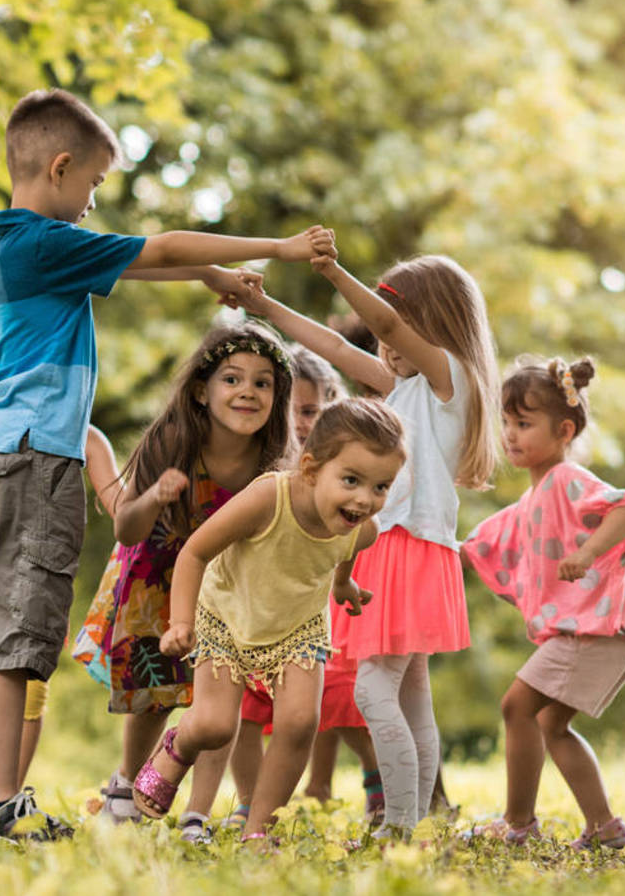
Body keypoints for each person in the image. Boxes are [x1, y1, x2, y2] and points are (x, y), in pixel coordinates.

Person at [0, 86, 333, 840]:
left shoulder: (11, 249)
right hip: (37, 458)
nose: (95, 201)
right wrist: (279, 249)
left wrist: (206, 279)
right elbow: (157, 247)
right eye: (94, 183)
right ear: (60, 167)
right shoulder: (44, 242)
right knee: (22, 641)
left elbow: (146, 264)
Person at [222, 253, 499, 836]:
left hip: (408, 550)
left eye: (394, 328)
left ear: (438, 324)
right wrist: (263, 307)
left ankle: (398, 827)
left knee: (374, 693)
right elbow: (336, 349)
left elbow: (394, 328)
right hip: (393, 550)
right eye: (381, 334)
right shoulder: (405, 390)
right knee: (412, 697)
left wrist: (332, 271)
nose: (383, 343)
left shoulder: (451, 380)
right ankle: (415, 824)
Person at [129, 399, 408, 842]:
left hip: (299, 627)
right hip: (227, 615)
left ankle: (259, 831)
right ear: (312, 468)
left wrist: (342, 586)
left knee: (300, 723)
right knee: (216, 725)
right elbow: (195, 552)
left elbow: (347, 550)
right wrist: (180, 622)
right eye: (351, 480)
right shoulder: (268, 497)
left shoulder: (363, 528)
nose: (364, 499)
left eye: (381, 487)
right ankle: (177, 744)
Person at [69, 322, 294, 842]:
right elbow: (126, 527)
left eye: (263, 383)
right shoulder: (174, 440)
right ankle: (125, 787)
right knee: (156, 693)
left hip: (228, 586)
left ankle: (197, 813)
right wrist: (154, 496)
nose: (247, 392)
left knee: (219, 699)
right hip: (158, 575)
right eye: (232, 379)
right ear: (202, 389)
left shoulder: (274, 459)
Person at [462, 357, 625, 850]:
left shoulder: (567, 479)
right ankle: (606, 828)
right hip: (597, 631)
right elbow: (482, 543)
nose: (510, 434)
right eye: (506, 422)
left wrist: (587, 552)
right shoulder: (533, 498)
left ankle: (518, 823)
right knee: (549, 724)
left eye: (523, 424)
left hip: (597, 628)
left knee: (516, 706)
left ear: (563, 429)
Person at [0, 411, 121, 838]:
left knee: (29, 694)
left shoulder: (84, 435)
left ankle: (4, 801)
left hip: (36, 584)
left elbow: (120, 502)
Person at [221, 348, 388, 830]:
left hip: (309, 614)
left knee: (335, 702)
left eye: (312, 411)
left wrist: (343, 581)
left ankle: (375, 777)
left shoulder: (342, 475)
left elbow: (357, 533)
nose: (299, 422)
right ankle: (252, 804)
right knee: (247, 712)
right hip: (250, 611)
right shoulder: (259, 465)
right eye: (292, 409)